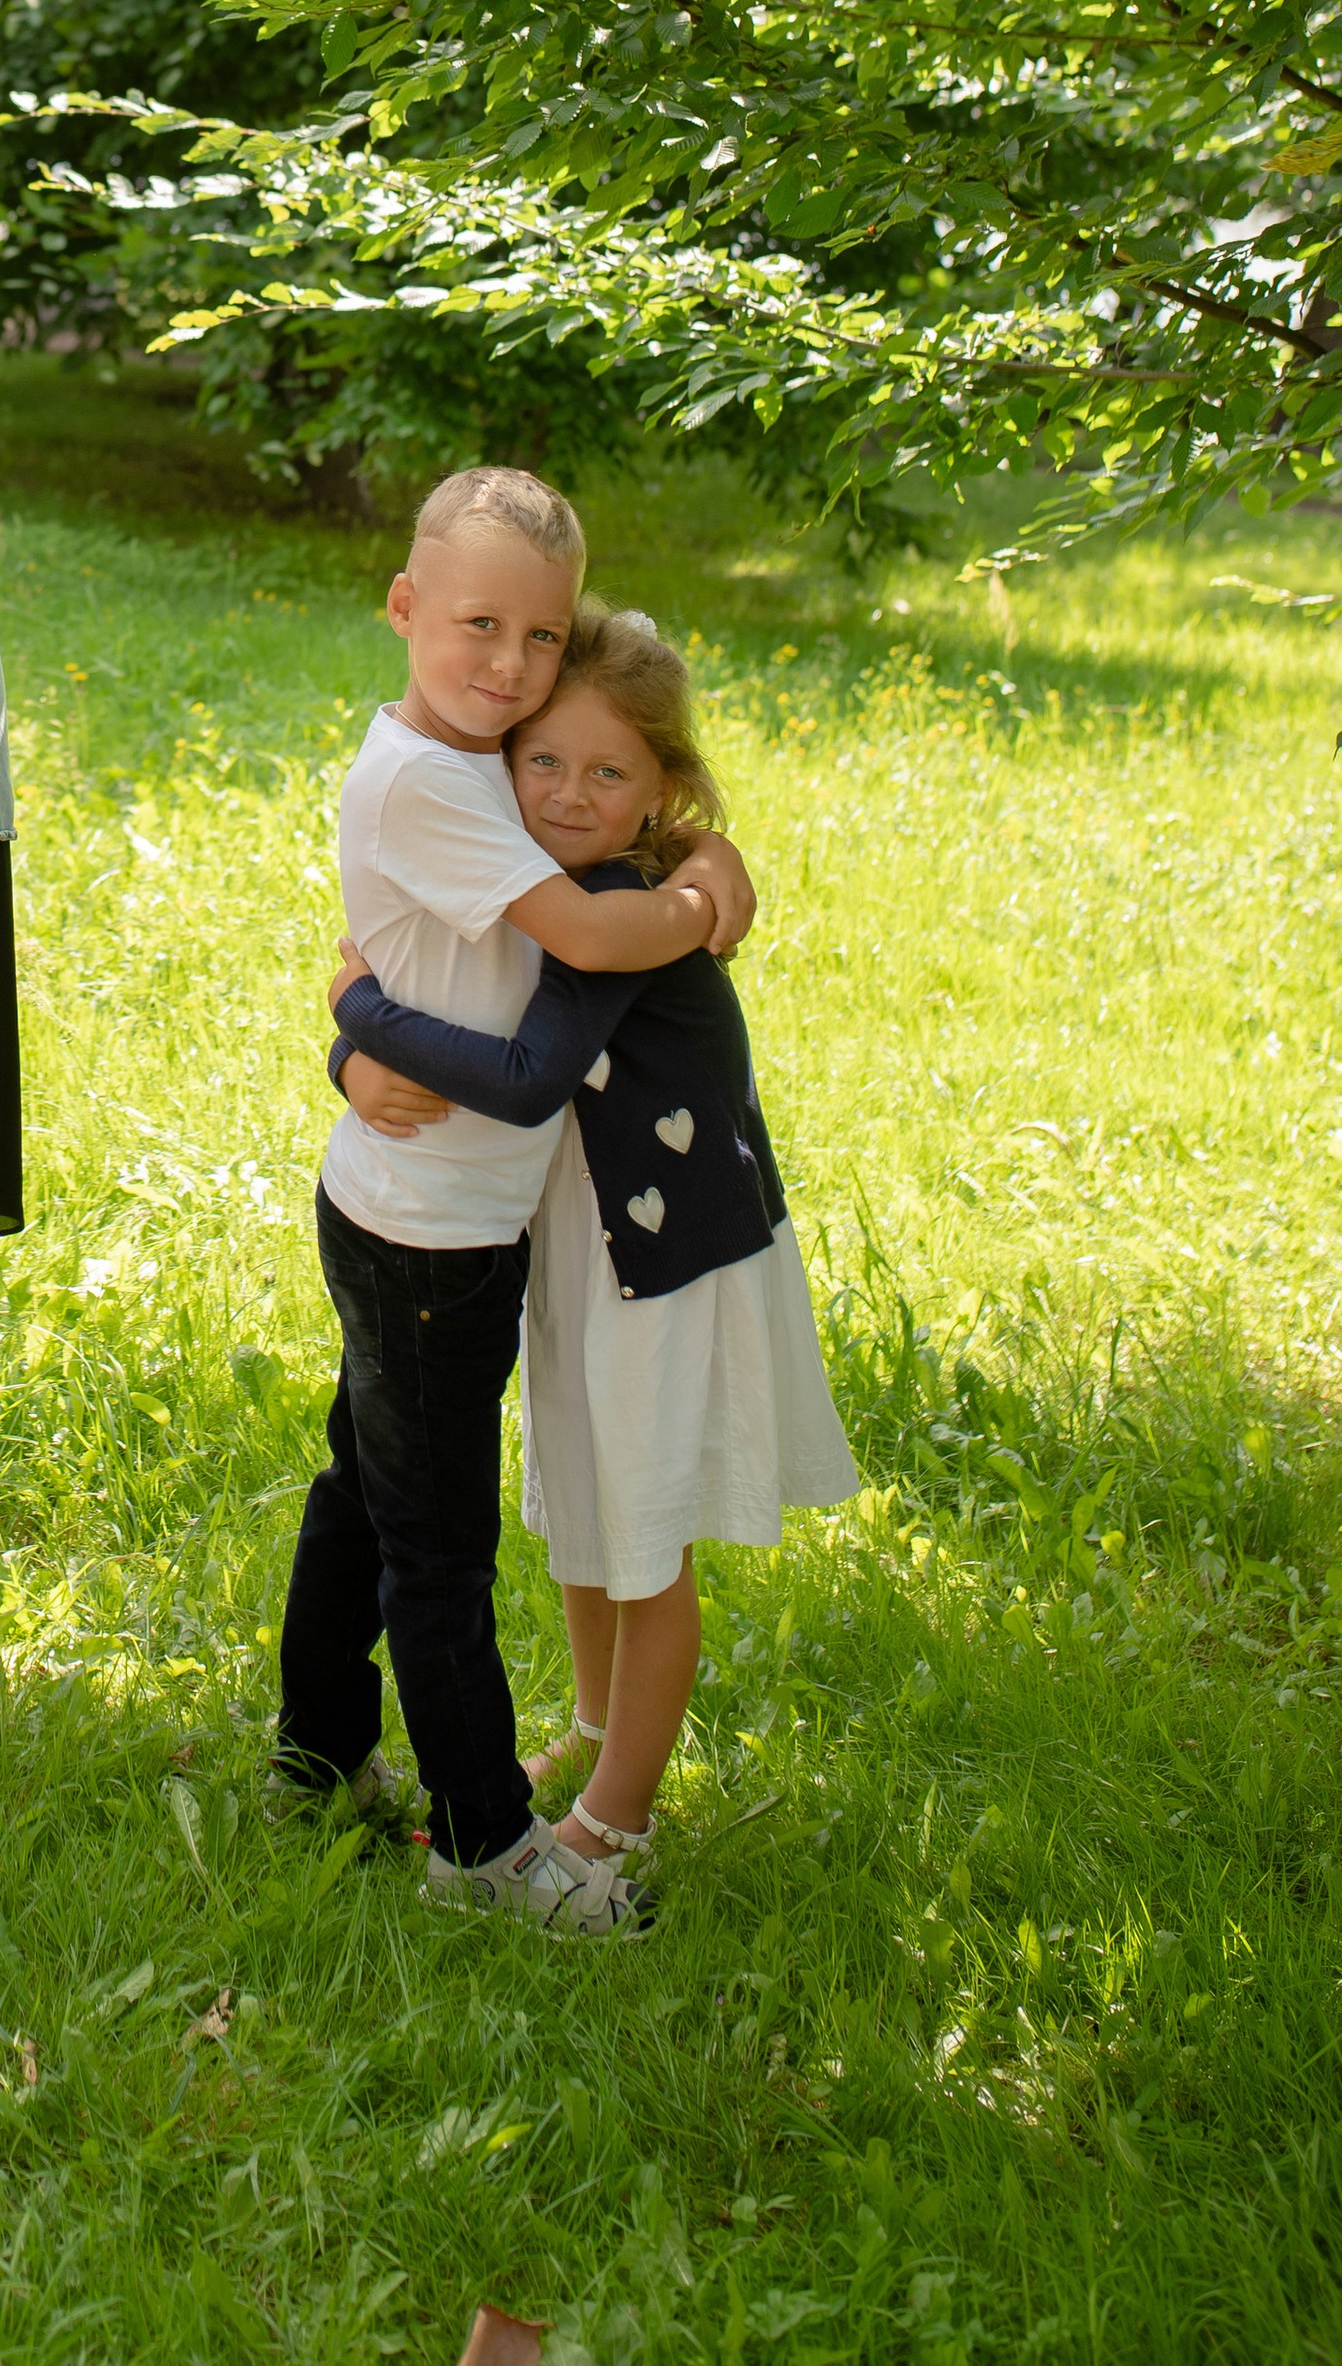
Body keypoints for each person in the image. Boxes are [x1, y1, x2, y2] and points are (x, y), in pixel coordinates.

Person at [266, 466, 759, 1937]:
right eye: (478, 623)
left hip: (416, 1202)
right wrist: (693, 902)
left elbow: (598, 806)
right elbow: (583, 941)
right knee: (437, 1550)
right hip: (433, 1227)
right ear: (406, 607)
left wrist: (708, 843)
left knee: (365, 1484)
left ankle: (316, 1749)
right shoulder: (432, 777)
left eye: (540, 638)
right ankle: (484, 1845)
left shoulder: (481, 753)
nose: (509, 664)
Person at [324, 602, 858, 1897]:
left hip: (665, 1255)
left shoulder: (628, 902)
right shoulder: (533, 865)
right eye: (541, 761)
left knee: (644, 1529)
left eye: (607, 771)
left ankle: (618, 1814)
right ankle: (594, 1723)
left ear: (660, 789)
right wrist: (352, 1054)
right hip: (575, 1237)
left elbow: (525, 1072)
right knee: (578, 1492)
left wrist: (359, 1011)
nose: (564, 793)